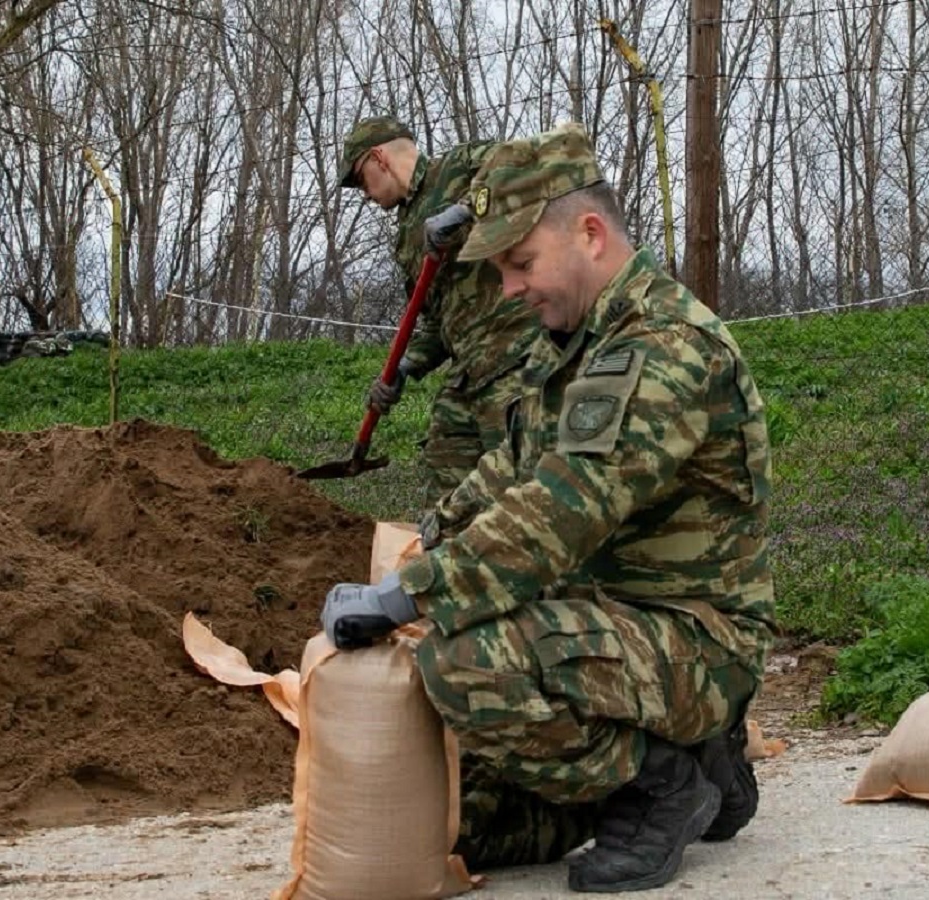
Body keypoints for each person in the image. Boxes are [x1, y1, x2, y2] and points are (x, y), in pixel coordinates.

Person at [323, 123, 775, 893]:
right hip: (613, 625)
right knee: (473, 826)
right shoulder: (571, 343)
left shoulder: (661, 348)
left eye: (521, 263)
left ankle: (662, 783)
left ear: (590, 235)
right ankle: (705, 768)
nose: (509, 288)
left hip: (696, 638)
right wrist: (434, 532)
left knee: (463, 663)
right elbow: (514, 463)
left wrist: (410, 595)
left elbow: (560, 511)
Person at [337, 116, 539, 509]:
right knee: (445, 468)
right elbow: (432, 317)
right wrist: (406, 367)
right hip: (467, 370)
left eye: (361, 179)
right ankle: (443, 563)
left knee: (517, 482)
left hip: (516, 353)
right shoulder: (405, 236)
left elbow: (528, 166)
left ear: (379, 157)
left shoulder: (461, 165)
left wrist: (464, 211)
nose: (364, 193)